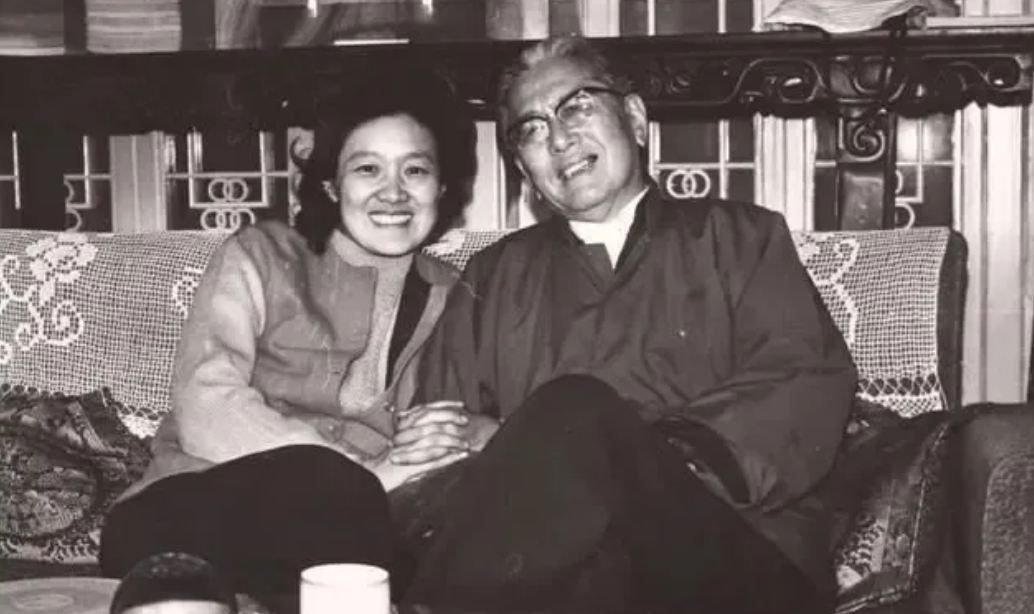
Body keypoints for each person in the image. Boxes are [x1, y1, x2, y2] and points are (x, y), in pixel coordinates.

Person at [387, 34, 859, 614]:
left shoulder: (742, 239)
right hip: (563, 577)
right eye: (531, 130)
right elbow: (441, 443)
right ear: (523, 169)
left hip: (724, 559)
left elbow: (803, 381)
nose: (558, 139)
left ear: (635, 118)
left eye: (577, 106)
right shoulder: (492, 277)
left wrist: (589, 449)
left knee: (576, 409)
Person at [98, 66, 478, 612]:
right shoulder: (260, 253)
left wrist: (446, 440)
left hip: (348, 537)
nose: (393, 191)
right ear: (331, 185)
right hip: (189, 513)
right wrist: (362, 474)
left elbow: (455, 432)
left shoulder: (456, 294)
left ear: (441, 187)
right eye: (367, 168)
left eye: (415, 169)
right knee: (326, 485)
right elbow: (207, 402)